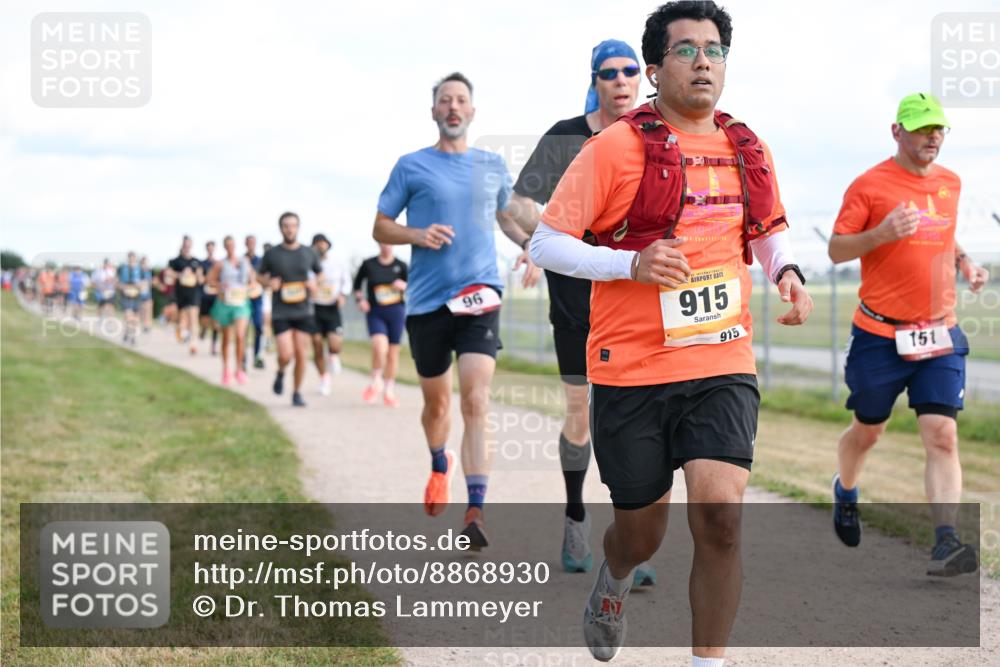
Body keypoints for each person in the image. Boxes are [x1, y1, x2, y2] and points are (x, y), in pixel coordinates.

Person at [529, 3, 813, 663]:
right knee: (640, 534)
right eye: (686, 50)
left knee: (721, 518)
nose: (703, 61)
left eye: (714, 50)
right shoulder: (616, 147)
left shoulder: (747, 145)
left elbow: (766, 228)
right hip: (633, 369)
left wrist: (787, 271)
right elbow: (546, 242)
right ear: (654, 70)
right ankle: (615, 575)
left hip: (721, 360)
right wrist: (631, 262)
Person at [508, 38, 656, 581]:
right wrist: (536, 241)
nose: (620, 81)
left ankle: (629, 541)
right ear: (594, 80)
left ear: (642, 78)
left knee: (631, 417)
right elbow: (517, 207)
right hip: (574, 300)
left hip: (636, 300)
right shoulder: (567, 136)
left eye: (629, 71)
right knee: (580, 414)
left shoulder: (653, 135)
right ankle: (575, 515)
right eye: (609, 73)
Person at [373, 71, 540, 548]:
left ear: (471, 111)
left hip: (480, 295)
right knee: (437, 404)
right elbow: (381, 227)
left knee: (475, 399)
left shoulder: (490, 166)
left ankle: (475, 512)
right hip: (427, 303)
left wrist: (531, 246)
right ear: (433, 112)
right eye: (444, 100)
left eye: (461, 100)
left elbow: (508, 217)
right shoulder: (411, 166)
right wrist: (416, 234)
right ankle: (438, 460)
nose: (452, 107)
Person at [827, 93, 989, 577]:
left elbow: (943, 231)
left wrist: (965, 262)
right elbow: (835, 249)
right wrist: (881, 233)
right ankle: (846, 489)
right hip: (880, 335)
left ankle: (946, 541)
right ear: (897, 132)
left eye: (938, 128)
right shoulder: (870, 186)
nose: (932, 137)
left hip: (939, 332)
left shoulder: (950, 183)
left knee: (942, 435)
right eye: (922, 128)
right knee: (868, 432)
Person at [257, 212, 324, 408]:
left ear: (298, 227)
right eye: (286, 226)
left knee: (302, 354)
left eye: (293, 225)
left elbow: (320, 274)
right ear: (280, 228)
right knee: (286, 354)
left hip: (303, 311)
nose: (289, 229)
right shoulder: (272, 254)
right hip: (281, 312)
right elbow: (259, 277)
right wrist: (269, 282)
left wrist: (314, 283)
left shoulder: (308, 253)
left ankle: (296, 392)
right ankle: (280, 372)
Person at [353, 244, 408, 407]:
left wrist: (404, 286)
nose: (387, 246)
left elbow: (414, 287)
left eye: (390, 242)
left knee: (392, 353)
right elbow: (357, 284)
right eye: (383, 242)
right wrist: (360, 300)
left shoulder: (401, 265)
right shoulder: (369, 264)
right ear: (378, 243)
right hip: (376, 312)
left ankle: (389, 390)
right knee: (379, 347)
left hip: (396, 312)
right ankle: (376, 380)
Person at [208, 235, 255, 386]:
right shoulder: (220, 264)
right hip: (225, 303)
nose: (230, 247)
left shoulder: (244, 262)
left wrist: (251, 285)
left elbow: (252, 279)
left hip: (241, 303)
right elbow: (209, 281)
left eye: (232, 245)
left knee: (241, 336)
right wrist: (220, 286)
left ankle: (239, 369)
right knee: (226, 339)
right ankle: (226, 370)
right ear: (224, 247)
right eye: (227, 245)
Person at [310, 233, 352, 395]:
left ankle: (334, 355)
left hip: (332, 307)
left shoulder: (337, 263)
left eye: (322, 243)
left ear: (328, 245)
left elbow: (346, 281)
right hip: (314, 309)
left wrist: (342, 295)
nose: (320, 246)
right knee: (317, 344)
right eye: (316, 244)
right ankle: (324, 378)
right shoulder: (309, 265)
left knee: (335, 344)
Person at [168, 236, 203, 354]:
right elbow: (168, 274)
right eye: (185, 245)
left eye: (189, 245)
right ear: (182, 246)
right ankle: (182, 332)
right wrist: (181, 274)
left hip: (193, 293)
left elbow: (201, 278)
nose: (187, 247)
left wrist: (198, 275)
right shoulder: (175, 261)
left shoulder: (196, 261)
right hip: (180, 293)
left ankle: (194, 344)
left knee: (193, 318)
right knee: (182, 319)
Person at [244, 234, 266, 370]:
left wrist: (255, 277)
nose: (251, 244)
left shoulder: (261, 261)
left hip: (257, 298)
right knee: (244, 329)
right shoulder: (242, 260)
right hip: (244, 298)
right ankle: (243, 358)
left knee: (259, 326)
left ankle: (257, 355)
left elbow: (266, 277)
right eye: (249, 242)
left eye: (253, 242)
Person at [199, 240, 220, 356]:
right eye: (209, 248)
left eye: (212, 248)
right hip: (205, 295)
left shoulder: (218, 263)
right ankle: (203, 330)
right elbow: (200, 279)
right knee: (205, 320)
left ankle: (213, 346)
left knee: (216, 322)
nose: (210, 250)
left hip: (216, 296)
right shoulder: (202, 264)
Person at [117, 252, 143, 346]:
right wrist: (125, 287)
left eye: (133, 258)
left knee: (135, 318)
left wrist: (139, 286)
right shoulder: (122, 269)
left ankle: (131, 335)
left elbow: (144, 283)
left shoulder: (139, 269)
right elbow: (118, 283)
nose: (132, 260)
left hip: (136, 296)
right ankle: (129, 334)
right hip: (126, 295)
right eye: (130, 258)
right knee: (129, 316)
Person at [139, 256, 154, 332]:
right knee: (142, 311)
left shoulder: (149, 272)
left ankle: (147, 325)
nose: (145, 265)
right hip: (139, 295)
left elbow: (150, 283)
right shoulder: (138, 272)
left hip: (148, 295)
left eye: (146, 263)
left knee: (148, 310)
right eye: (143, 263)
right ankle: (143, 324)